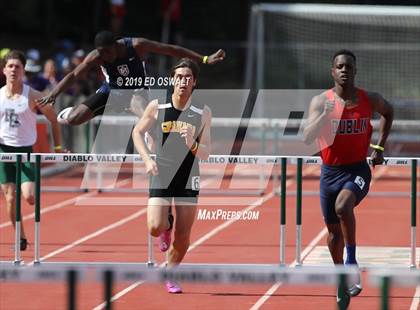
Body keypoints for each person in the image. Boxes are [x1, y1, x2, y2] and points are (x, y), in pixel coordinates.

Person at [303, 50, 393, 307]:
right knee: (332, 236)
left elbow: (389, 111)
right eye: (339, 66)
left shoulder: (368, 99)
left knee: (343, 206)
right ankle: (341, 277)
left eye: (348, 67)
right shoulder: (321, 102)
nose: (344, 70)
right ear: (332, 71)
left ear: (355, 71)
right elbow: (307, 138)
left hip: (357, 170)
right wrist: (325, 115)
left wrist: (379, 146)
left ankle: (352, 261)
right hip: (329, 173)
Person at [132, 58, 211, 293]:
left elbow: (206, 152)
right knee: (155, 227)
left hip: (188, 175)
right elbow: (137, 132)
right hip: (162, 172)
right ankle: (166, 223)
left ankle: (171, 273)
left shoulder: (202, 112)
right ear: (171, 80)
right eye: (179, 77)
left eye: (188, 77)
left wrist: (192, 144)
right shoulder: (158, 107)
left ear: (194, 82)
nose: (183, 81)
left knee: (184, 234)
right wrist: (147, 159)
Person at [36, 30, 225, 125]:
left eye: (106, 53)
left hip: (137, 90)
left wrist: (204, 59)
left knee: (146, 118)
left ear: (116, 46)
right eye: (100, 53)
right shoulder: (96, 56)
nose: (103, 57)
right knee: (75, 120)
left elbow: (170, 50)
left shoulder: (137, 46)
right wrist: (54, 93)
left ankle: (156, 150)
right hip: (111, 91)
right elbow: (74, 74)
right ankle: (73, 112)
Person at [0, 50, 63, 250]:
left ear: (23, 70)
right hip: (4, 152)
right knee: (10, 199)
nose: (13, 70)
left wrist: (59, 147)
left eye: (17, 66)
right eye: (10, 66)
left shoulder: (33, 95)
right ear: (3, 70)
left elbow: (54, 119)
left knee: (29, 197)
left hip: (25, 150)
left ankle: (28, 190)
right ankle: (20, 236)